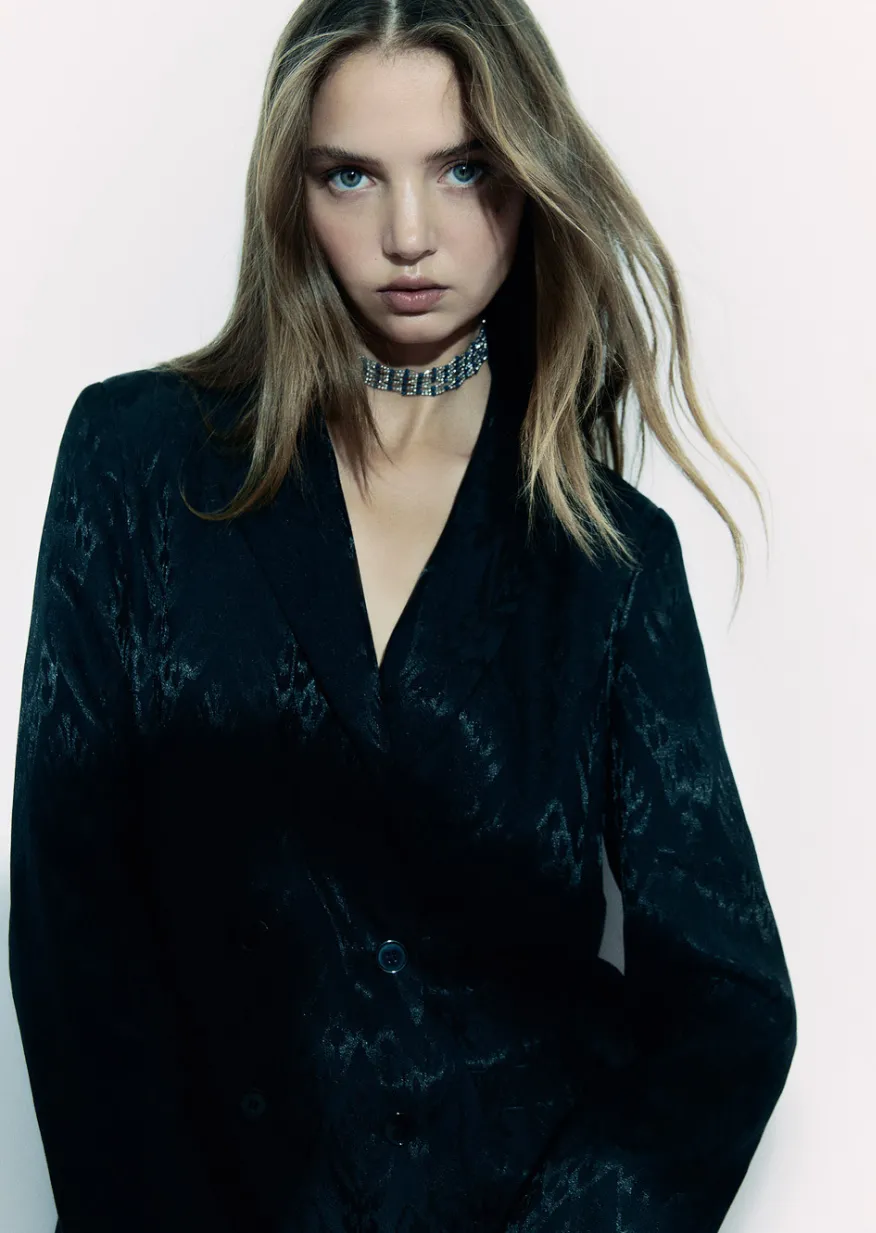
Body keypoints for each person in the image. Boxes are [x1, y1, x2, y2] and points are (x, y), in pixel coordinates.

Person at [8, 2, 797, 1231]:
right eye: (351, 176)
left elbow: (727, 1002)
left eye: (462, 168)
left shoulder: (606, 556)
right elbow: (71, 927)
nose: (409, 235)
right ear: (292, 189)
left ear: (528, 174)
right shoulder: (138, 464)